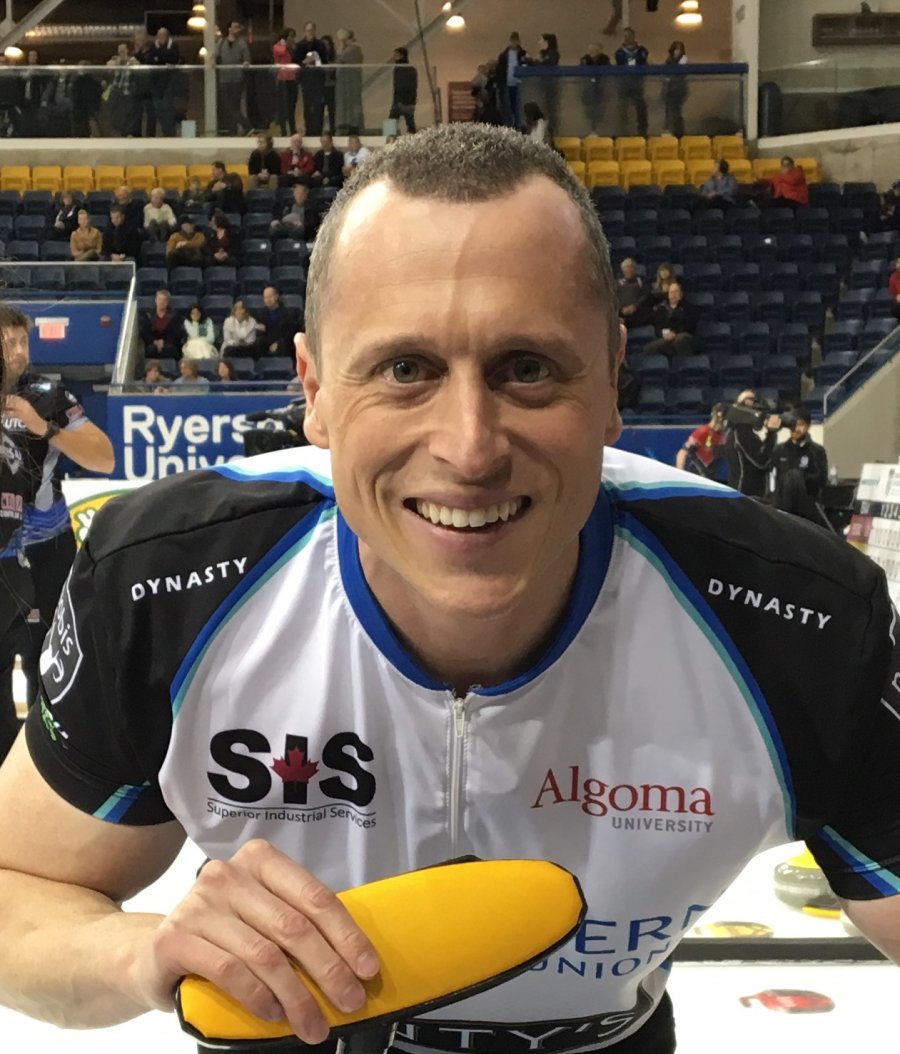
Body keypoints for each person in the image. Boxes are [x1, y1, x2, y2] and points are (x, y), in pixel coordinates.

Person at [1, 124, 898, 1054]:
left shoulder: (799, 617)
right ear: (313, 389)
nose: (470, 450)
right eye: (405, 370)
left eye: (528, 369)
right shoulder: (166, 579)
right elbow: (17, 888)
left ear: (611, 380)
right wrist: (142, 953)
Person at [0, 306, 114, 757]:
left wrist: (42, 427)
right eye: (8, 342)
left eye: (22, 341)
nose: (18, 351)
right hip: (3, 557)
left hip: (47, 548)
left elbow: (104, 458)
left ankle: (50, 762)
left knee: (48, 661)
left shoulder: (50, 396)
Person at [772, 409, 830, 526]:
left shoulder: (816, 451)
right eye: (793, 424)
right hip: (783, 508)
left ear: (808, 426)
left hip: (807, 509)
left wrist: (799, 480)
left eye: (801, 424)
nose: (796, 428)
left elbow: (822, 480)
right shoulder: (779, 449)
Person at [724, 388, 781, 498]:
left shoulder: (734, 431)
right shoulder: (741, 432)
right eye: (748, 400)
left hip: (744, 494)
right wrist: (771, 433)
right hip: (747, 496)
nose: (753, 404)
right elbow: (762, 461)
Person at [643, 280, 698, 357]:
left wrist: (675, 333)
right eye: (671, 292)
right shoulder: (661, 309)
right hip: (666, 338)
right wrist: (663, 333)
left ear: (681, 294)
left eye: (676, 292)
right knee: (648, 348)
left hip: (683, 335)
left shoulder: (689, 308)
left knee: (680, 339)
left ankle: (687, 362)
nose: (673, 295)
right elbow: (657, 327)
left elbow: (690, 325)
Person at [216, 20, 251, 136]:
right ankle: (245, 126)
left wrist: (246, 63)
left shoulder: (242, 43)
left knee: (234, 105)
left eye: (238, 27)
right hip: (224, 78)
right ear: (229, 29)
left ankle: (234, 131)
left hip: (237, 78)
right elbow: (215, 55)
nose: (237, 29)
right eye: (235, 27)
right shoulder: (221, 42)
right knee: (228, 105)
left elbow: (247, 58)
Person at [675, 403, 727, 478]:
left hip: (710, 475)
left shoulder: (723, 435)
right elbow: (683, 452)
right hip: (696, 475)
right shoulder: (703, 431)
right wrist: (680, 474)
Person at [294, 22, 328, 137]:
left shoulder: (320, 45)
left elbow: (324, 61)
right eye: (308, 30)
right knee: (307, 105)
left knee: (319, 105)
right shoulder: (300, 45)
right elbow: (295, 62)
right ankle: (309, 129)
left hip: (318, 78)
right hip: (306, 79)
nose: (310, 32)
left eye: (312, 30)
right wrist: (304, 62)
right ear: (304, 31)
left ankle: (318, 129)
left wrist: (315, 60)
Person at [614, 27, 649, 137]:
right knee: (622, 107)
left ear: (633, 36)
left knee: (640, 106)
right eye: (625, 36)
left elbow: (645, 64)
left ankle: (642, 131)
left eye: (629, 35)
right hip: (624, 83)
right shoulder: (619, 52)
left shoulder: (642, 51)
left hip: (637, 83)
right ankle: (623, 131)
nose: (627, 38)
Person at [147, 26, 180, 136]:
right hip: (156, 83)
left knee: (168, 108)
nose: (161, 37)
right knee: (158, 109)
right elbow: (150, 60)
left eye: (163, 35)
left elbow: (174, 58)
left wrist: (159, 56)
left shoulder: (173, 45)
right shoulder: (152, 46)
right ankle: (164, 131)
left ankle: (170, 132)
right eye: (159, 35)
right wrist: (164, 58)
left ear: (167, 36)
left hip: (169, 82)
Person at [255, 285, 299, 357]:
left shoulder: (288, 314)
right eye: (265, 297)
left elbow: (289, 334)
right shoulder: (260, 314)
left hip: (282, 344)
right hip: (266, 344)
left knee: (284, 344)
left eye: (270, 297)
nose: (268, 300)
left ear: (276, 296)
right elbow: (260, 333)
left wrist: (277, 343)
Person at [334, 29, 364, 135]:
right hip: (343, 81)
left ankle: (353, 125)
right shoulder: (345, 48)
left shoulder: (355, 48)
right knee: (343, 102)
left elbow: (340, 58)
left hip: (351, 81)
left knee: (352, 103)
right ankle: (344, 124)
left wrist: (341, 46)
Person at [496, 31, 527, 129]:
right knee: (507, 108)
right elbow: (499, 71)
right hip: (507, 84)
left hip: (519, 84)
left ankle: (517, 126)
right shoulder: (503, 56)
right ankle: (509, 126)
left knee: (518, 108)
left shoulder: (523, 54)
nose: (514, 43)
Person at [139, 288, 181, 358]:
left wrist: (164, 342)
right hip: (151, 343)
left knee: (169, 349)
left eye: (164, 300)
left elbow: (176, 334)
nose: (161, 302)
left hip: (169, 343)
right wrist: (154, 341)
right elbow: (145, 332)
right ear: (155, 300)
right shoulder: (147, 315)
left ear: (167, 302)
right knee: (150, 350)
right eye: (160, 299)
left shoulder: (175, 316)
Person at [580, 42, 611, 134]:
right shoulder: (585, 59)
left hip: (600, 89)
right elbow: (582, 72)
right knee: (590, 110)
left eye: (593, 50)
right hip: (588, 89)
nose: (590, 52)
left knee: (599, 109)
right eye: (590, 50)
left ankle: (600, 130)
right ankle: (591, 129)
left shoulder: (605, 59)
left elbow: (608, 72)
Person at [273, 28, 299, 136]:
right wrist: (285, 44)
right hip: (283, 79)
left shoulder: (293, 47)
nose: (292, 38)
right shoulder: (278, 46)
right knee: (284, 106)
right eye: (291, 36)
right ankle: (283, 130)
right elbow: (282, 52)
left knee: (292, 105)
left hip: (292, 78)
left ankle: (293, 129)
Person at [662, 41, 688, 138]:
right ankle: (668, 130)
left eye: (679, 49)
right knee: (668, 111)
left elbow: (680, 73)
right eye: (676, 49)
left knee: (676, 111)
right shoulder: (668, 61)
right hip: (669, 89)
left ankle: (679, 132)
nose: (677, 52)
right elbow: (666, 75)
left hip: (678, 90)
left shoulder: (683, 59)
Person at [389, 47, 417, 134]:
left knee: (391, 123)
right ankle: (412, 136)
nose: (394, 57)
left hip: (402, 101)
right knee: (409, 122)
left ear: (402, 56)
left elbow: (401, 86)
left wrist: (399, 101)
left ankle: (390, 137)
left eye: (396, 55)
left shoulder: (400, 69)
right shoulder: (410, 69)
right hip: (407, 101)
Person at [616, 257, 647, 329]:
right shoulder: (617, 283)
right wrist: (621, 311)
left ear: (634, 269)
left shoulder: (642, 281)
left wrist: (635, 306)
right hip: (621, 315)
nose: (628, 270)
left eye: (630, 267)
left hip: (638, 314)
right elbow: (613, 299)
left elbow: (646, 297)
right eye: (626, 268)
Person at [320, 35, 338, 135]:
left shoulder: (333, 57)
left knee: (332, 109)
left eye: (327, 44)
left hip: (331, 85)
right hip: (321, 86)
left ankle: (333, 130)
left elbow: (335, 69)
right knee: (320, 110)